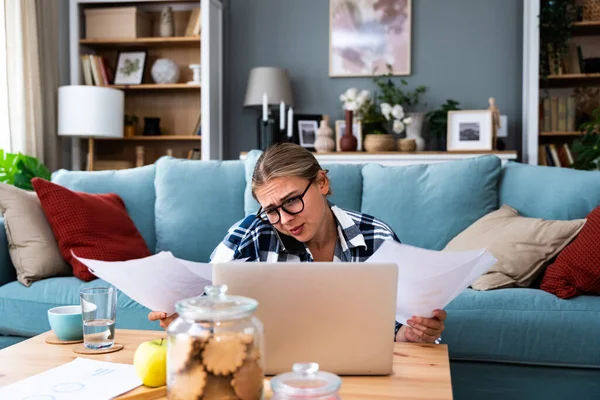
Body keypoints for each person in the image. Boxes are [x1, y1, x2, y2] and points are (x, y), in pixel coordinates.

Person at [149, 143, 446, 343]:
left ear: (321, 183)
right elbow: (203, 302)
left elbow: (398, 326)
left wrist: (412, 333)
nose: (285, 219)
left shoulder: (376, 238)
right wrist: (182, 318)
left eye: (291, 201)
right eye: (272, 210)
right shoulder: (252, 234)